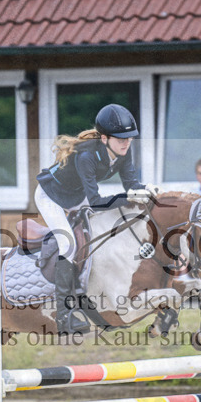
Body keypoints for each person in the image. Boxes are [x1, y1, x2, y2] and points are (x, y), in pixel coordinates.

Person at [35, 103, 151, 334]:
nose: (126, 142)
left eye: (129, 138)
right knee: (67, 243)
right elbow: (97, 201)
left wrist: (148, 192)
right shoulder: (87, 155)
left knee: (100, 232)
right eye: (121, 139)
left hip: (77, 196)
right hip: (52, 197)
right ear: (105, 138)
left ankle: (93, 295)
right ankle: (63, 314)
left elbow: (131, 186)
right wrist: (128, 196)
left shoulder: (122, 153)